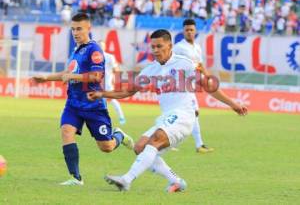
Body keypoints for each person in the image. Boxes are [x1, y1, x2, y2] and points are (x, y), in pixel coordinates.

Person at [87, 29, 247, 192]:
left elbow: (209, 86)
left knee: (155, 139)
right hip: (167, 117)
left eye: (159, 46)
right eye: (153, 47)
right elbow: (128, 91)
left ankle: (126, 180)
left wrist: (233, 104)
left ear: (170, 46)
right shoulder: (151, 70)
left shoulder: (185, 64)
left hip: (184, 115)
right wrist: (102, 93)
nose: (155, 50)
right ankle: (176, 181)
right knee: (140, 147)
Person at [32, 13, 134, 186]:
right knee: (66, 131)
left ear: (88, 28)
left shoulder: (95, 50)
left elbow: (96, 76)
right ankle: (76, 178)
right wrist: (46, 78)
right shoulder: (76, 50)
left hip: (93, 105)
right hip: (73, 103)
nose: (75, 33)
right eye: (73, 29)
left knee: (106, 147)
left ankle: (119, 135)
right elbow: (66, 74)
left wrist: (74, 76)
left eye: (79, 29)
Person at [173, 18, 213, 153]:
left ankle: (172, 141)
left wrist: (207, 75)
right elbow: (169, 62)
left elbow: (199, 65)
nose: (189, 32)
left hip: (189, 85)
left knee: (185, 114)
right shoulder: (179, 47)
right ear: (183, 31)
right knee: (193, 112)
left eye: (191, 30)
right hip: (179, 84)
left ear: (195, 31)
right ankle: (198, 145)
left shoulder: (197, 47)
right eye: (187, 30)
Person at [99, 40, 126, 125]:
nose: (100, 47)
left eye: (102, 45)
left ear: (104, 47)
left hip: (107, 84)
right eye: (99, 45)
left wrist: (115, 78)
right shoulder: (93, 58)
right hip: (97, 84)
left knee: (112, 101)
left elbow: (116, 69)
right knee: (96, 101)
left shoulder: (109, 57)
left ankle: (121, 117)